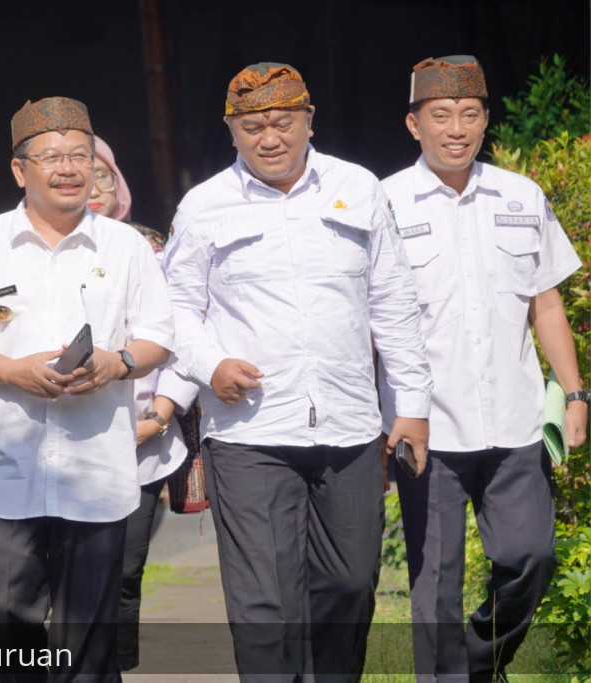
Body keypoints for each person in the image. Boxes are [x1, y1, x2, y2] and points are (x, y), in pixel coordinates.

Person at [164, 63, 433, 680]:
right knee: (264, 603)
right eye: (253, 126)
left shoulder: (359, 188)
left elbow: (393, 300)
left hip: (350, 425)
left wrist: (411, 405)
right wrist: (211, 364)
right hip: (249, 432)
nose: (269, 138)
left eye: (283, 123)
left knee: (349, 583)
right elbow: (175, 309)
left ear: (309, 122)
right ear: (231, 130)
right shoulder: (204, 205)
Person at [0, 96, 174, 681]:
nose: (68, 168)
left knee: (87, 639)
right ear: (21, 170)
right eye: (51, 157)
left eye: (80, 156)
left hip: (96, 470)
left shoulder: (127, 246)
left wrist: (118, 363)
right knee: (3, 611)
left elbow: (160, 337)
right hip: (5, 468)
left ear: (96, 167)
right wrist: (13, 370)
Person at [380, 55, 587, 683]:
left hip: (517, 422)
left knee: (531, 557)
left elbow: (546, 302)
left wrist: (576, 394)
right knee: (435, 583)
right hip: (428, 428)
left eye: (470, 114)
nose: (456, 128)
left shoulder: (521, 196)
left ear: (486, 120)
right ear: (414, 124)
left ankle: (476, 662)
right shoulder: (383, 202)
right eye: (440, 115)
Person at [85, 137, 198, 672]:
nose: (90, 186)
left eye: (102, 175)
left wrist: (160, 414)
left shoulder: (152, 250)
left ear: (118, 185)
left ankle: (114, 667)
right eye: (79, 173)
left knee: (125, 570)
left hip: (141, 441)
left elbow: (183, 336)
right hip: (65, 438)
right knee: (68, 572)